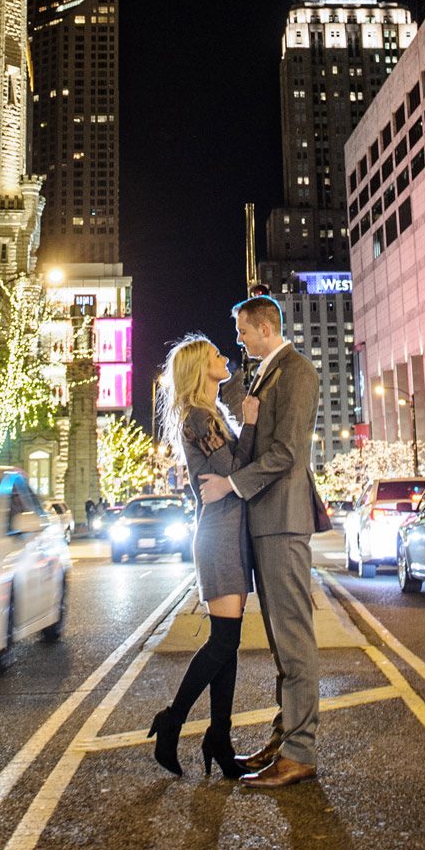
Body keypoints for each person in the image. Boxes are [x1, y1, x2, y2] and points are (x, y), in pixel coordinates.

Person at [199, 293, 320, 789]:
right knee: (280, 641)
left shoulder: (296, 372)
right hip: (265, 523)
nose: (239, 341)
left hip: (284, 522)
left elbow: (288, 452)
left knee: (294, 638)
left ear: (265, 328)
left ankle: (300, 751)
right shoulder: (265, 374)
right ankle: (284, 738)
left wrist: (232, 484)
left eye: (243, 332)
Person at [147, 333, 259, 780]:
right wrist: (249, 423)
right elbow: (235, 471)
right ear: (200, 369)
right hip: (219, 534)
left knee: (226, 644)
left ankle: (220, 738)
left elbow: (232, 472)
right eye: (215, 355)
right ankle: (173, 721)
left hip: (229, 531)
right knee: (224, 641)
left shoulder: (208, 414)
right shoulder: (198, 416)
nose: (224, 357)